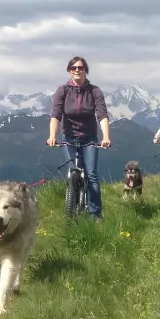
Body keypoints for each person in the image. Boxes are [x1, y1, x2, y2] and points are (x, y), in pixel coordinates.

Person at [47, 55, 111, 222]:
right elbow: (56, 115)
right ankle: (72, 205)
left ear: (86, 71)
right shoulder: (62, 91)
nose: (77, 70)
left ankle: (95, 215)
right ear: (69, 71)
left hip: (89, 138)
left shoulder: (94, 91)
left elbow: (102, 115)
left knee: (91, 174)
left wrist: (106, 137)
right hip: (69, 137)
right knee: (73, 173)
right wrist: (52, 136)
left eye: (80, 68)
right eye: (74, 68)